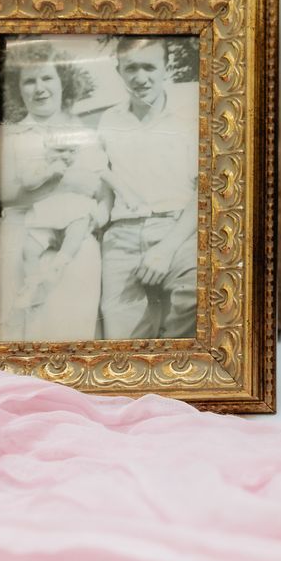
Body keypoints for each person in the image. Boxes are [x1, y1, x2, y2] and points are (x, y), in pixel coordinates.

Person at [0, 40, 108, 341]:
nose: (39, 88)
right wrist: (66, 181)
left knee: (70, 329)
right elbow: (6, 194)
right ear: (18, 90)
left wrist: (99, 216)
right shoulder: (11, 135)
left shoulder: (85, 135)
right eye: (29, 81)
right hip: (23, 239)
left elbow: (102, 189)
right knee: (20, 330)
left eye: (47, 78)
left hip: (75, 245)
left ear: (62, 82)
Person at [97, 37, 199, 340]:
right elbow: (106, 191)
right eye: (131, 68)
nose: (141, 78)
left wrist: (166, 249)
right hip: (121, 237)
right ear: (119, 71)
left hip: (179, 230)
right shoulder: (109, 120)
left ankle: (178, 375)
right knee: (120, 340)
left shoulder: (189, 117)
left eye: (149, 67)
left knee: (197, 293)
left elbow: (205, 193)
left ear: (165, 68)